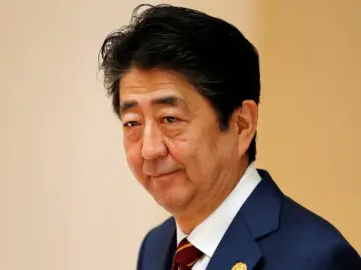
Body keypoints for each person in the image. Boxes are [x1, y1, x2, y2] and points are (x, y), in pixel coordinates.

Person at [98, 3, 361, 270]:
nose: (150, 150)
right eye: (133, 123)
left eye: (170, 119)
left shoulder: (317, 259)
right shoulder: (156, 246)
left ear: (242, 125)